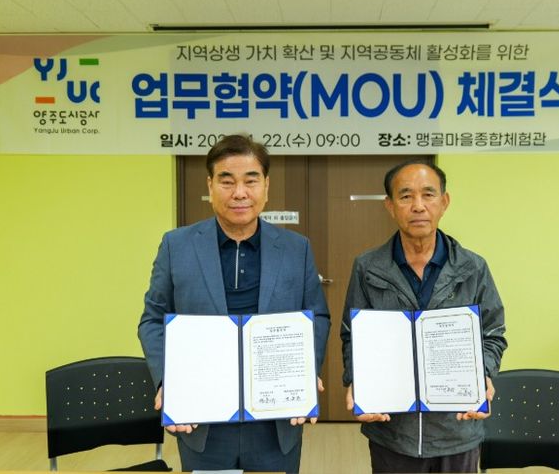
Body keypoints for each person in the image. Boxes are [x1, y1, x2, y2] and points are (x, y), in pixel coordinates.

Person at [138, 134, 330, 474]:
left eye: (250, 180)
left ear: (266, 186)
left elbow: (317, 316)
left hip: (275, 420)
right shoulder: (176, 246)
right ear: (210, 186)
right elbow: (153, 319)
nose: (239, 192)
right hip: (202, 420)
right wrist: (168, 381)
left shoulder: (296, 248)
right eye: (227, 181)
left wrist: (304, 371)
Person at [340, 160, 507, 473]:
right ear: (390, 206)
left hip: (456, 429)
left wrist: (482, 374)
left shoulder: (473, 268)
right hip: (392, 430)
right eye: (406, 196)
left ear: (444, 202)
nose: (418, 206)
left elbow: (493, 333)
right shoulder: (368, 267)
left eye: (428, 195)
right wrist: (356, 379)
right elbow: (353, 335)